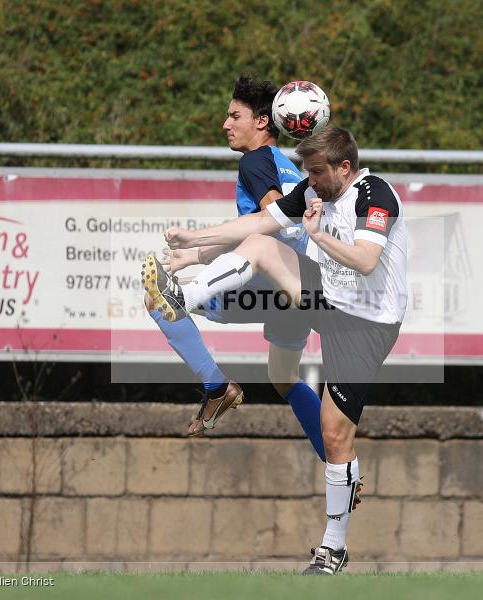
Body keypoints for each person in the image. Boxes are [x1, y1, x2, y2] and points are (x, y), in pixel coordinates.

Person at [142, 126, 407, 575]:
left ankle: (333, 550)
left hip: (367, 323)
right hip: (327, 299)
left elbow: (365, 260)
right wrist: (195, 239)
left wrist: (317, 236)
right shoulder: (314, 191)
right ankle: (182, 298)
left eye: (317, 171)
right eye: (307, 170)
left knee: (335, 434)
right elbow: (261, 223)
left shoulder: (375, 193)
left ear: (344, 167)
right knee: (262, 246)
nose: (309, 179)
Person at [144, 74, 325, 461]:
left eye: (234, 115)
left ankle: (215, 387)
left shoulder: (256, 161)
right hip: (298, 286)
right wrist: (195, 257)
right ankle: (336, 458)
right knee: (284, 379)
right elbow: (261, 235)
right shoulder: (286, 163)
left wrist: (195, 246)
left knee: (158, 301)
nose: (226, 124)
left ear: (262, 121)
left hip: (271, 282)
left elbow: (272, 221)